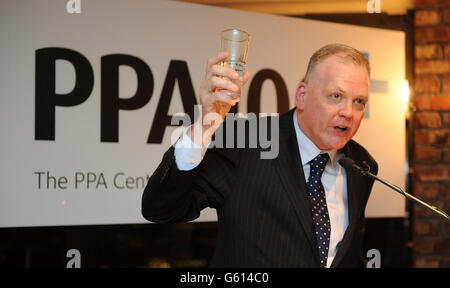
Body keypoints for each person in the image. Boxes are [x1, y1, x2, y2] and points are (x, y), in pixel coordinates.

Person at [142, 43, 378, 268]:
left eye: (359, 102)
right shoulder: (246, 142)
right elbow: (161, 209)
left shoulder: (361, 164)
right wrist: (204, 126)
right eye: (336, 96)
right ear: (302, 96)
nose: (348, 112)